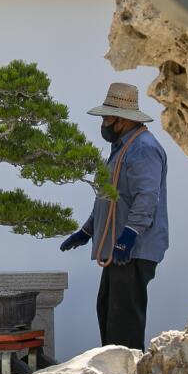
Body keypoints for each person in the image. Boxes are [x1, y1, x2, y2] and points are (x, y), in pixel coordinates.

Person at [59, 82, 168, 350]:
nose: (103, 124)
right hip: (118, 248)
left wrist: (129, 236)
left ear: (121, 120)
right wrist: (87, 231)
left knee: (123, 322)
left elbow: (146, 197)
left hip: (133, 250)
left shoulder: (142, 148)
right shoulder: (123, 147)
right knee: (108, 312)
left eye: (106, 118)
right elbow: (109, 200)